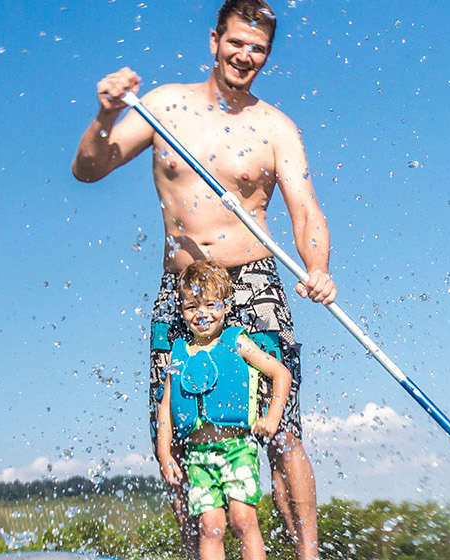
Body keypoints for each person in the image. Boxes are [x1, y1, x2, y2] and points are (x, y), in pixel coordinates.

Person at [71, 1, 330, 558]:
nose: (246, 55)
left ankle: (308, 554)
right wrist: (104, 116)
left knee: (278, 428)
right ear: (214, 40)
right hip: (183, 289)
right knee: (181, 432)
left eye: (258, 48)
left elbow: (305, 209)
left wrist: (318, 269)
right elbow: (89, 169)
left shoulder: (275, 126)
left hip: (254, 281)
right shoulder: (164, 106)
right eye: (236, 43)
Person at [157, 262, 294, 560]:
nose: (202, 313)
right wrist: (165, 455)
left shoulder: (236, 341)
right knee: (210, 527)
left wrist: (272, 417)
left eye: (210, 304)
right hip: (198, 456)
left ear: (226, 305)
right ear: (182, 310)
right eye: (192, 306)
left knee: (243, 521)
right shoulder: (178, 353)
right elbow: (166, 409)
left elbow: (281, 374)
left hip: (237, 448)